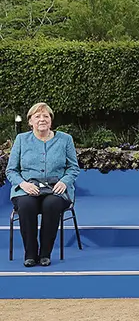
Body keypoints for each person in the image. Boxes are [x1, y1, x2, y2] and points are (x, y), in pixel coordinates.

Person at [6, 103, 80, 267]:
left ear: (51, 120)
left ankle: (45, 254)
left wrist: (64, 181)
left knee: (52, 204)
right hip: (27, 188)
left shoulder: (65, 139)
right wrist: (23, 184)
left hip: (56, 189)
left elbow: (73, 168)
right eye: (37, 116)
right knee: (25, 205)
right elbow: (11, 170)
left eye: (46, 116)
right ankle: (30, 254)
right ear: (30, 121)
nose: (42, 119)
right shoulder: (21, 140)